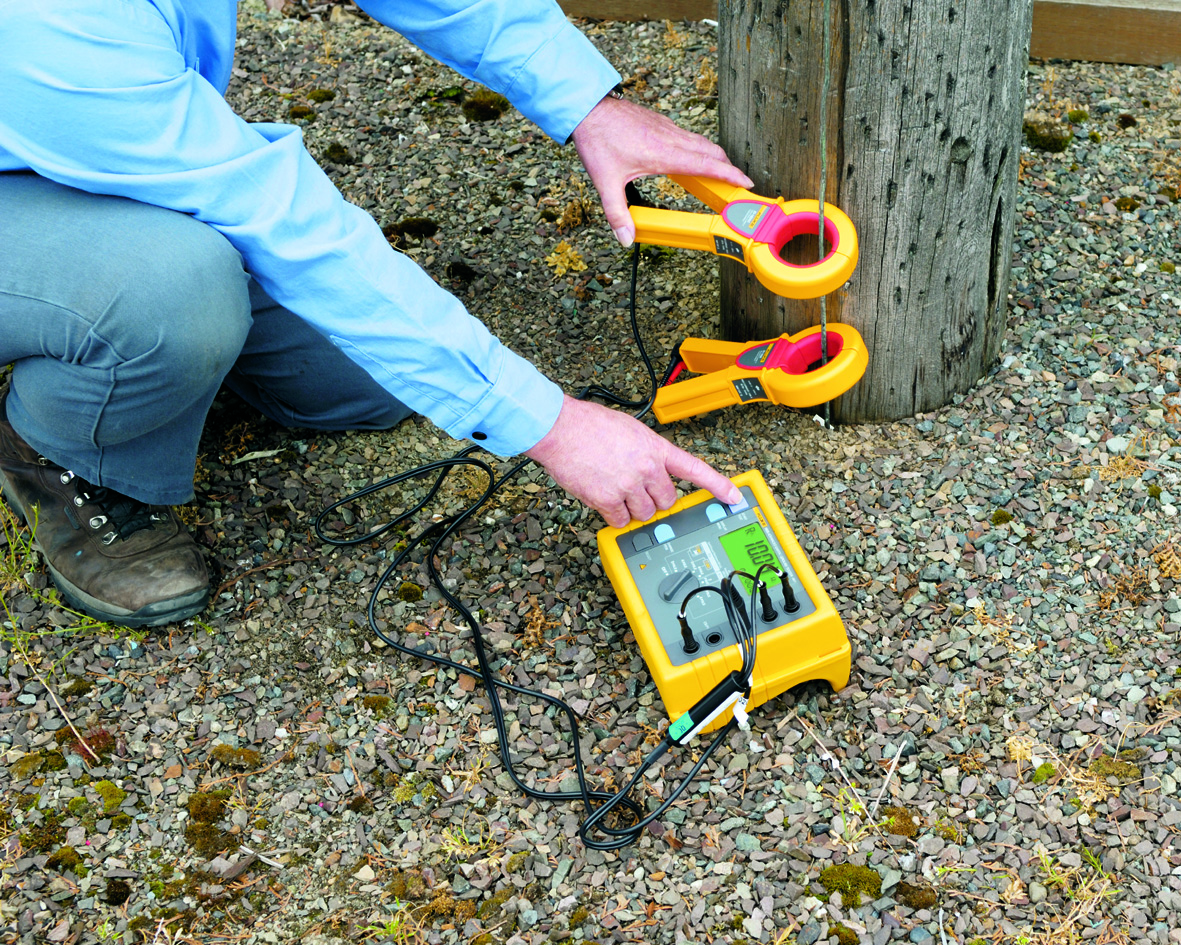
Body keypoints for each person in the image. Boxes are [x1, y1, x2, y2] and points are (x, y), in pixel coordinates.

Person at [0, 0, 751, 628]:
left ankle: (158, 350)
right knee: (175, 294)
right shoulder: (56, 23)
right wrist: (551, 425)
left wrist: (586, 103)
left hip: (117, 138)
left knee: (366, 378)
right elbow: (281, 218)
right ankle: (57, 447)